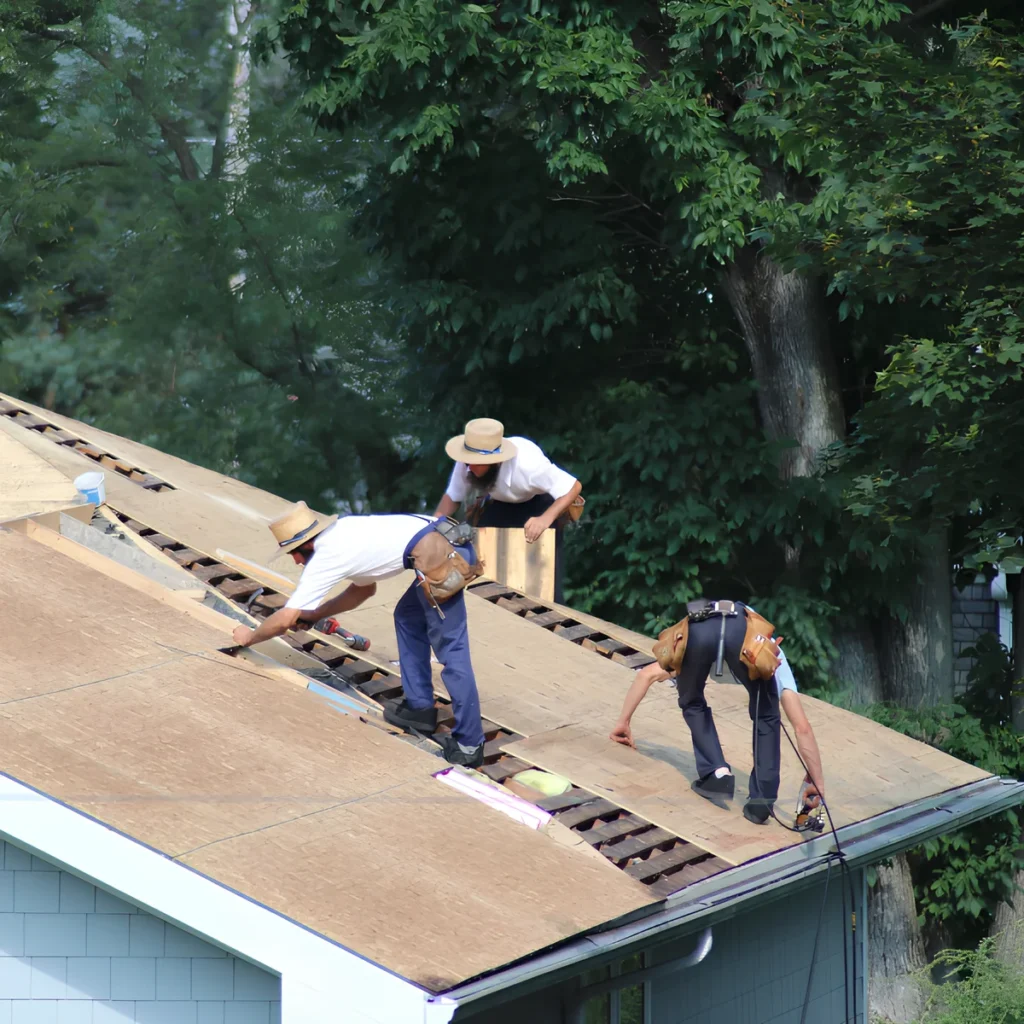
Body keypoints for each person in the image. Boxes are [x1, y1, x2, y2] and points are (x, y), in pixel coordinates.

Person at [230, 502, 486, 767]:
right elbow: (362, 591)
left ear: (308, 544)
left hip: (446, 557)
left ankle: (470, 744)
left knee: (452, 650)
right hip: (443, 545)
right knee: (408, 617)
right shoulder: (344, 532)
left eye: (294, 553)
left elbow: (286, 617)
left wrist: (250, 636)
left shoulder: (326, 555)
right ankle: (419, 708)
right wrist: (316, 615)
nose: (295, 561)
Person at [608, 600, 825, 825]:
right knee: (767, 717)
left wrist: (623, 722)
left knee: (691, 701)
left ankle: (716, 773)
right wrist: (818, 783)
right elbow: (802, 727)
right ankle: (762, 802)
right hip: (743, 637)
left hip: (698, 629)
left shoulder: (698, 637)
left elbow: (647, 675)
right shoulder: (773, 656)